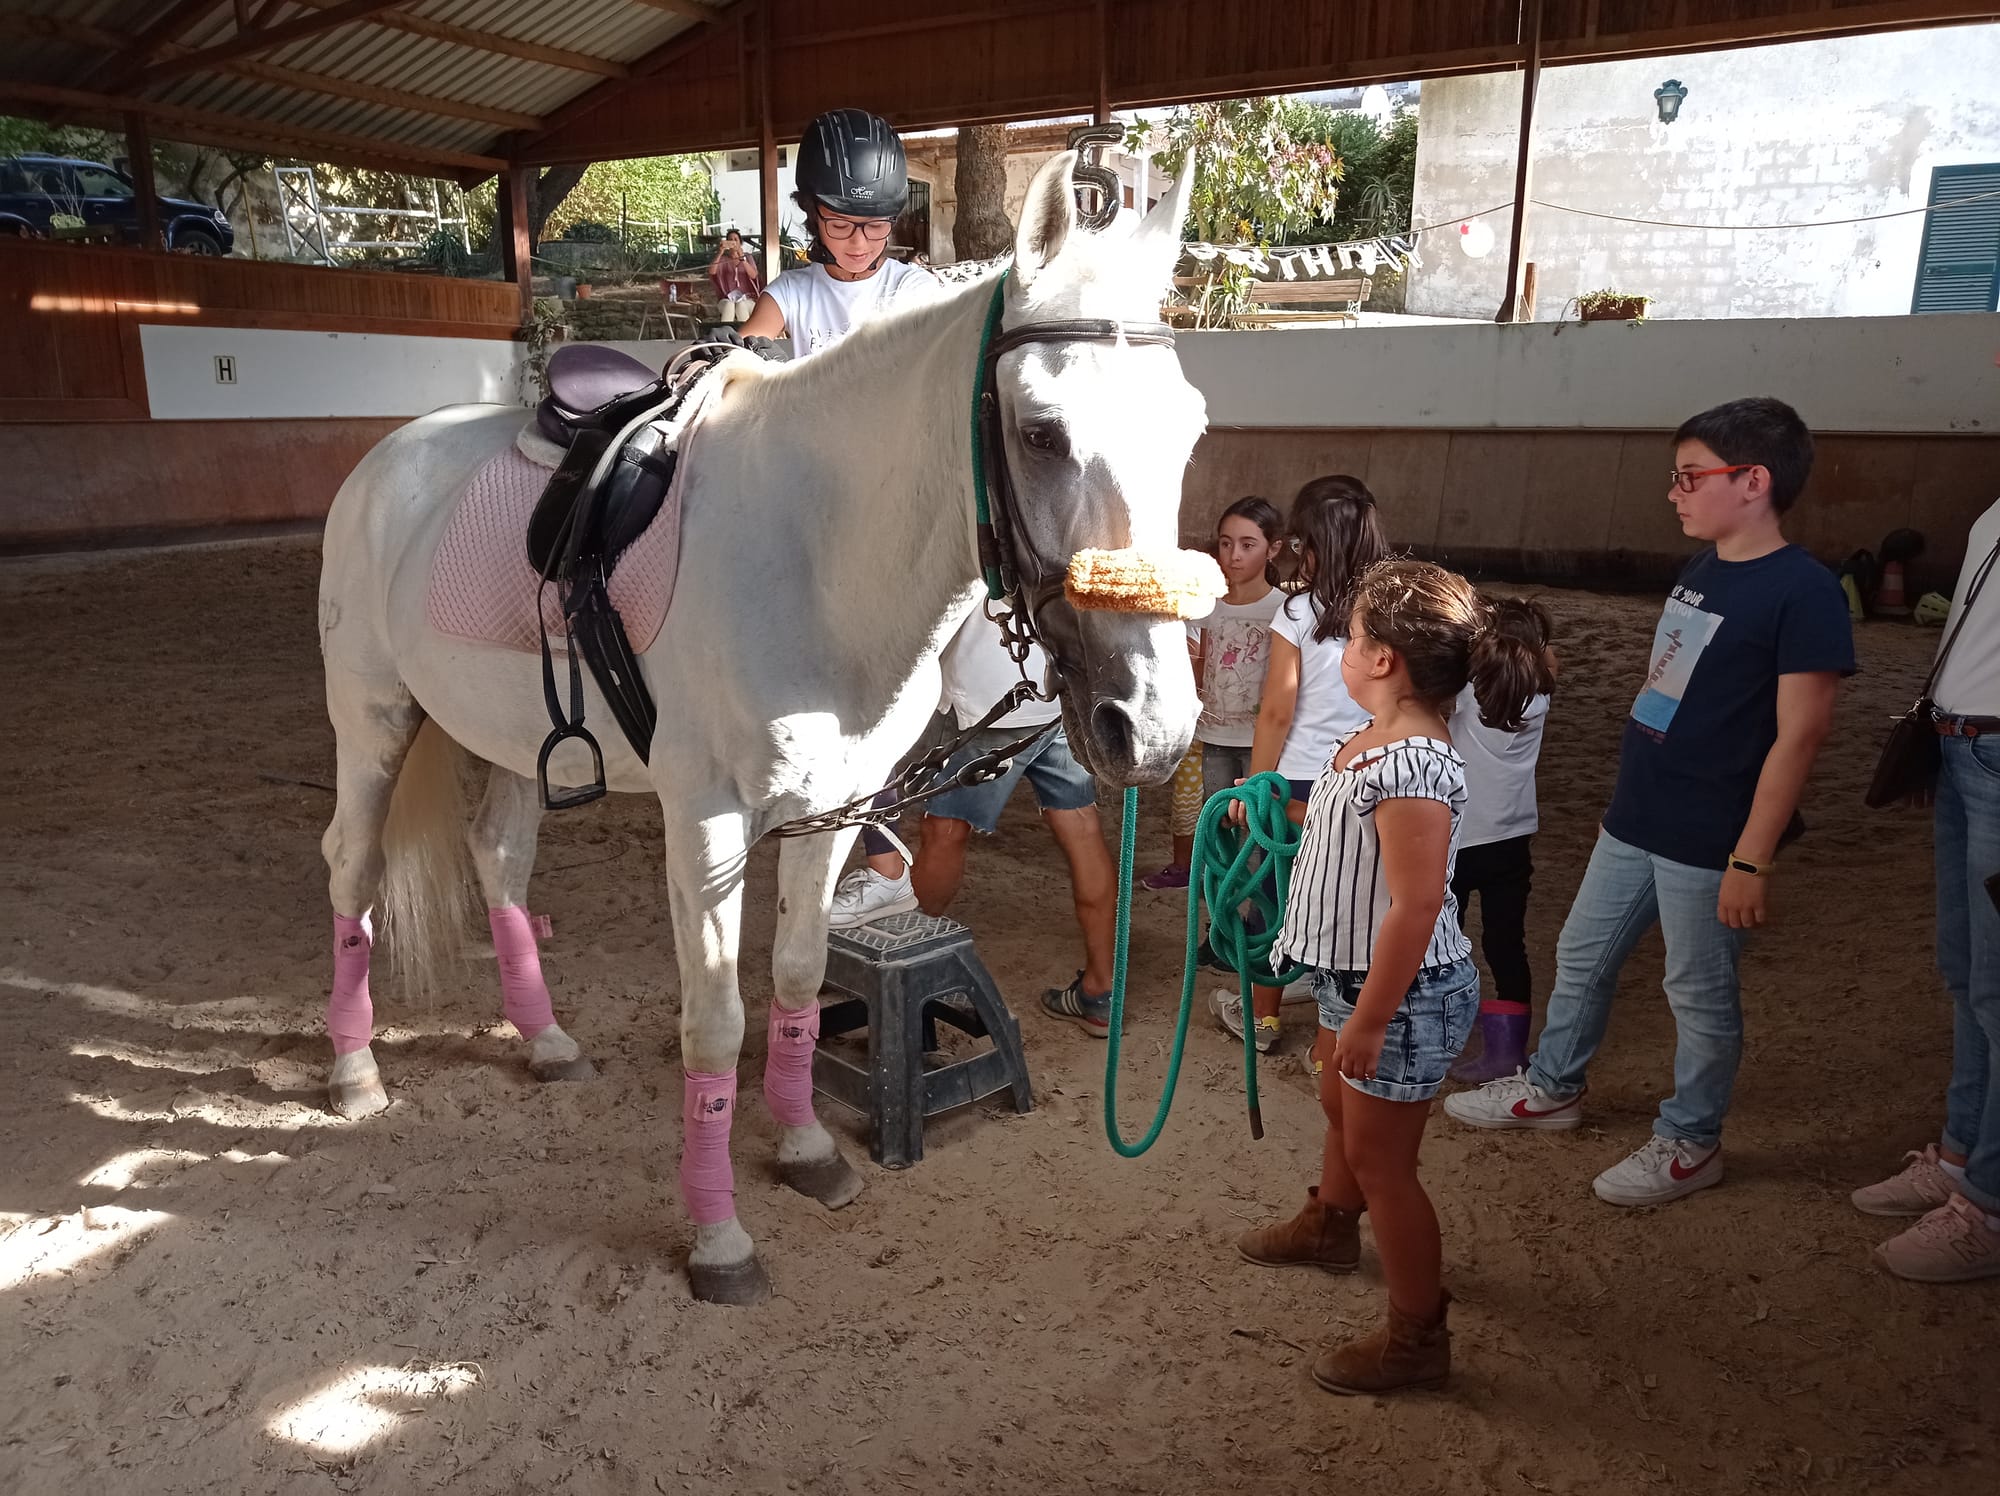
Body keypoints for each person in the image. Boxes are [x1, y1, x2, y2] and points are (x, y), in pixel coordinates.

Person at [1445, 397, 1854, 1207]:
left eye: (1690, 477)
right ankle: (1553, 1086)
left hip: (1711, 830)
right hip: (1638, 812)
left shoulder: (1803, 591)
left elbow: (1800, 737)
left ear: (1754, 480)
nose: (1675, 492)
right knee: (1581, 955)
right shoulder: (1700, 570)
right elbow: (1663, 689)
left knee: (1697, 991)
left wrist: (1751, 857)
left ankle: (1693, 1140)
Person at [1235, 558, 1545, 1395]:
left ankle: (1416, 1336)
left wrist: (1369, 1019)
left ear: (1383, 660)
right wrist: (1278, 802)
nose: (1345, 644)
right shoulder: (1377, 741)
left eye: (1356, 633)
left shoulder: (1411, 763)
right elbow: (1348, 837)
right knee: (1341, 1106)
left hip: (1396, 992)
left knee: (1387, 1166)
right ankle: (1331, 1226)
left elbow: (1412, 908)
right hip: (1356, 981)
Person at [1851, 495, 2000, 1281]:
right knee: (1967, 971)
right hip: (1961, 746)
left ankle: (1989, 1203)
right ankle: (1962, 1152)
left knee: (1999, 986)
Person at [1211, 476, 1387, 1053]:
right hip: (1364, 776)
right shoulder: (1389, 609)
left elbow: (1276, 711)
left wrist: (1254, 784)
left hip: (1299, 776)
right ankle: (1323, 1044)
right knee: (1341, 903)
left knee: (1272, 894)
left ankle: (1261, 1023)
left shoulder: (1299, 611)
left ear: (1313, 545)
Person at [907, 609, 1121, 1037]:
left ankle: (903, 968)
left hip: (988, 696)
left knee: (944, 830)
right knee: (1082, 828)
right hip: (1055, 691)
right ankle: (1101, 990)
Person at [1139, 498, 1285, 892]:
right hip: (1215, 738)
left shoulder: (1284, 609)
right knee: (1217, 835)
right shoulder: (1206, 605)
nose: (1233, 555)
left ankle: (1257, 927)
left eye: (1247, 544)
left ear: (1274, 548)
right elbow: (1198, 664)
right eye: (1225, 543)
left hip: (1263, 744)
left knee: (1259, 835)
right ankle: (1220, 923)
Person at [1444, 597, 1558, 1082]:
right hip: (1511, 840)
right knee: (1506, 944)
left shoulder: (1466, 696)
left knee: (1443, 939)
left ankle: (1438, 1026)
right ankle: (1506, 1053)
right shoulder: (1539, 696)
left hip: (1458, 838)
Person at [736, 108, 938, 361]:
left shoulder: (913, 289)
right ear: (813, 216)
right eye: (840, 226)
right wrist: (722, 357)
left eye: (876, 226)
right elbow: (741, 353)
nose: (859, 243)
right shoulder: (790, 292)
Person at [706, 229, 762, 323]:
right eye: (730, 240)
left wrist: (742, 259)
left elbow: (754, 275)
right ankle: (725, 334)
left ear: (740, 242)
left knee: (741, 305)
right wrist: (720, 252)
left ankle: (745, 335)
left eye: (735, 239)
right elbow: (712, 271)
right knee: (729, 305)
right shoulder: (723, 259)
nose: (733, 242)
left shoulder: (747, 257)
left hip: (747, 299)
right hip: (727, 299)